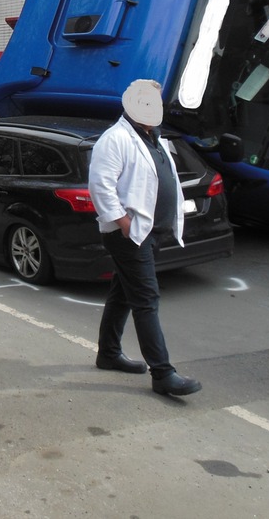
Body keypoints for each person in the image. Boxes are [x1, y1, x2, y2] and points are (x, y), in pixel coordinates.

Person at [88, 78, 202, 396]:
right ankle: (163, 374)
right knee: (146, 300)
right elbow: (100, 185)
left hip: (151, 232)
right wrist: (123, 221)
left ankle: (108, 354)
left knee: (123, 294)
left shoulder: (153, 137)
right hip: (130, 235)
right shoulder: (115, 139)